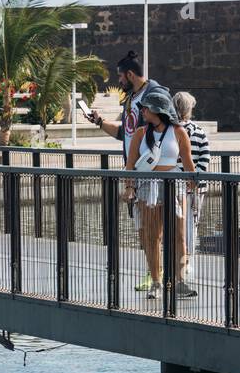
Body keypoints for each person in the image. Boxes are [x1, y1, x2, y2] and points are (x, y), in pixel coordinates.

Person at [87, 50, 167, 291]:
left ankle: (158, 276)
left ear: (130, 74)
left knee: (153, 230)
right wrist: (100, 122)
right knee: (142, 229)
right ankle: (154, 271)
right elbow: (126, 133)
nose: (119, 82)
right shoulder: (131, 99)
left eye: (121, 77)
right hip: (134, 171)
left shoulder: (155, 93)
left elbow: (168, 127)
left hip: (151, 171)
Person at [123, 86, 197, 300]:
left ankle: (180, 280)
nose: (143, 112)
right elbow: (130, 164)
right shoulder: (140, 133)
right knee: (152, 235)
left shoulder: (178, 132)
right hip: (148, 185)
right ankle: (156, 281)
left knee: (179, 234)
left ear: (158, 110)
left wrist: (193, 183)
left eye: (146, 109)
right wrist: (129, 187)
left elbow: (187, 161)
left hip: (174, 184)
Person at [173, 91, 210, 284]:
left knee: (178, 227)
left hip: (177, 185)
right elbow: (205, 156)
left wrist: (182, 176)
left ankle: (180, 262)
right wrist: (195, 176)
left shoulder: (171, 130)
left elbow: (172, 158)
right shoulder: (199, 130)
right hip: (197, 186)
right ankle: (188, 262)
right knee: (192, 225)